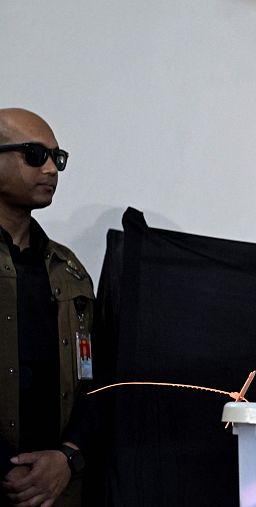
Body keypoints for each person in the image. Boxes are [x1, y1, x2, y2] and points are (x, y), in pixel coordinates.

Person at [0, 109, 94, 507]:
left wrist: (67, 456)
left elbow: (95, 379)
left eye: (57, 158)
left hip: (57, 491)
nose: (52, 169)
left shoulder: (69, 271)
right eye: (34, 154)